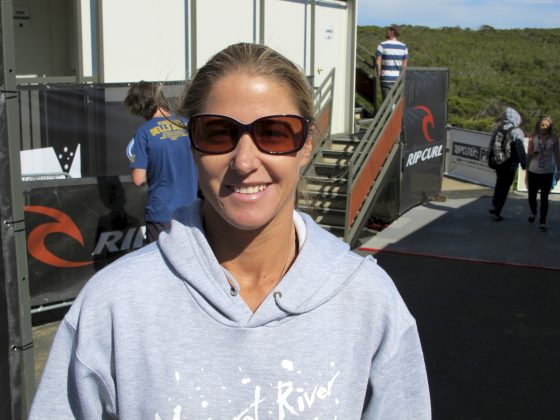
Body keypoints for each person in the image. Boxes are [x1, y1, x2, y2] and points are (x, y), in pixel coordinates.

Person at [29, 43, 430, 419]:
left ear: (306, 144)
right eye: (218, 133)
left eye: (273, 132)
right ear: (192, 143)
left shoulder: (369, 302)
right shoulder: (113, 305)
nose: (244, 161)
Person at [125, 81, 198, 243]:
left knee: (160, 263)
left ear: (141, 105)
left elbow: (138, 179)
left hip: (161, 211)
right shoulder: (187, 125)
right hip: (192, 211)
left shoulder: (144, 132)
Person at [489, 107, 528, 221]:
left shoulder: (498, 129)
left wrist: (491, 159)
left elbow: (491, 145)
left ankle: (494, 205)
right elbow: (519, 148)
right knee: (505, 188)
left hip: (498, 162)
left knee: (499, 184)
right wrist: (524, 163)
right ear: (516, 118)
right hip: (509, 164)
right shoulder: (517, 131)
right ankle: (497, 212)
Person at [526, 115, 560, 232]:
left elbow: (557, 155)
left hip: (547, 172)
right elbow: (529, 153)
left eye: (546, 125)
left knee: (544, 198)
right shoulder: (533, 137)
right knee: (531, 196)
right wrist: (533, 153)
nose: (544, 127)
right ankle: (533, 212)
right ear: (538, 125)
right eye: (542, 125)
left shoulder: (554, 139)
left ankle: (542, 221)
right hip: (534, 171)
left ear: (550, 126)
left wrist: (559, 170)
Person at [375, 24, 409, 100]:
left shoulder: (382, 45)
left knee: (387, 104)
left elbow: (378, 62)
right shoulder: (404, 47)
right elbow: (404, 65)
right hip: (398, 79)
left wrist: (378, 74)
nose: (387, 31)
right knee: (397, 104)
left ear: (392, 32)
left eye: (388, 30)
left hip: (386, 78)